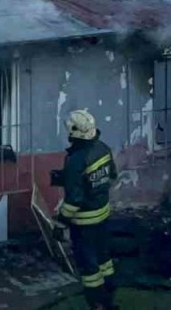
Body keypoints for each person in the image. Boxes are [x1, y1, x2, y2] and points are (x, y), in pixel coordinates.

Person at [58, 110, 118, 310]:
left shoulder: (75, 160)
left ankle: (97, 304)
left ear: (75, 132)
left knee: (89, 266)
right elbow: (112, 175)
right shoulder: (103, 148)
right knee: (104, 259)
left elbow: (74, 199)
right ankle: (110, 296)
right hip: (103, 214)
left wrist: (60, 222)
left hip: (84, 223)